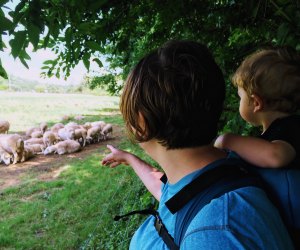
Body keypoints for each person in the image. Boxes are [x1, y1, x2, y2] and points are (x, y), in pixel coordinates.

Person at [102, 40, 293, 249]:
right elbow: (171, 193)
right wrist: (129, 158)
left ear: (141, 122)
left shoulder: (216, 233)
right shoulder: (222, 168)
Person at [214, 47, 300, 169]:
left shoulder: (290, 127)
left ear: (256, 103)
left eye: (240, 97)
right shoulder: (280, 130)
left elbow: (276, 156)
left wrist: (226, 140)